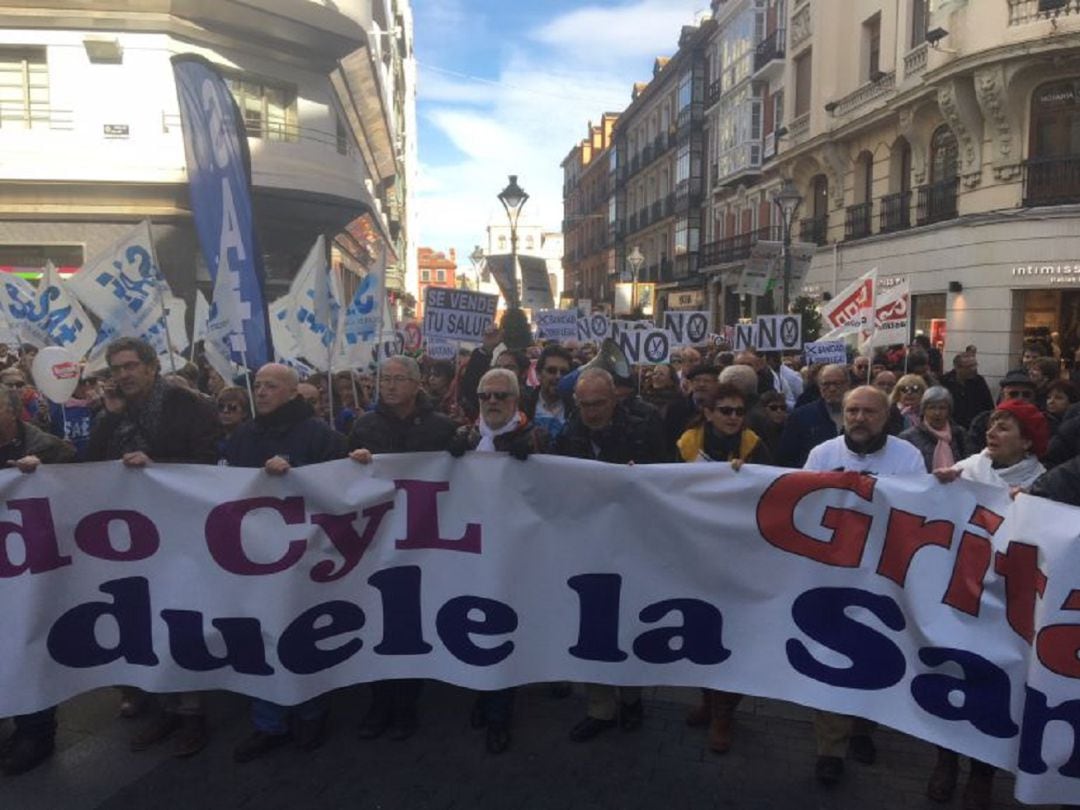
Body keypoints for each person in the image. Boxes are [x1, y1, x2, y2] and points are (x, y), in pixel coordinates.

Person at [85, 337, 220, 758]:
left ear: (151, 367)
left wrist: (156, 464)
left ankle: (192, 714)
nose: (122, 375)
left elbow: (207, 460)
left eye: (129, 366)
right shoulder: (110, 414)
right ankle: (164, 706)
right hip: (128, 539)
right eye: (115, 369)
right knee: (143, 621)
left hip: (179, 533)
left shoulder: (189, 405)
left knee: (181, 619)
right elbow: (89, 465)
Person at [223, 363, 347, 762]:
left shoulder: (320, 436)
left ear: (293, 393)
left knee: (302, 632)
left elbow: (337, 489)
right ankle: (268, 722)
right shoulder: (243, 435)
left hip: (305, 554)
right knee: (260, 635)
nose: (260, 392)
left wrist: (296, 476)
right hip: (254, 552)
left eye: (271, 386)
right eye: (258, 385)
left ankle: (312, 712)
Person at [928, 398, 1048, 809]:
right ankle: (945, 761)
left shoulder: (1044, 484)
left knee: (997, 686)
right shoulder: (966, 471)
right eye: (993, 423)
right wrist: (938, 487)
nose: (992, 432)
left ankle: (982, 773)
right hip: (960, 593)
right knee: (952, 674)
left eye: (1005, 427)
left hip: (1008, 603)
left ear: (1028, 444)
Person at [804, 386, 925, 787]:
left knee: (877, 654)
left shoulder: (908, 457)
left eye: (868, 412)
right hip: (833, 573)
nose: (858, 418)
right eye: (852, 410)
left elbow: (921, 511)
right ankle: (830, 747)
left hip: (883, 573)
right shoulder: (822, 454)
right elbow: (801, 506)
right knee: (832, 655)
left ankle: (864, 729)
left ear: (887, 416)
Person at [349, 356, 458, 741]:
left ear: (416, 385)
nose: (390, 386)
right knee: (378, 619)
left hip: (422, 539)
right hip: (377, 537)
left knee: (412, 619)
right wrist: (352, 463)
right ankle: (379, 702)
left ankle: (407, 704)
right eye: (385, 379)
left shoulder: (442, 428)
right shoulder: (363, 426)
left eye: (398, 379)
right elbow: (341, 481)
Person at [555, 367, 664, 742]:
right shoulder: (568, 433)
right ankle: (599, 706)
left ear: (614, 399)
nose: (591, 411)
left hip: (633, 542)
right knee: (592, 624)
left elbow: (669, 478)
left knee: (628, 621)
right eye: (584, 404)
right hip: (587, 543)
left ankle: (631, 700)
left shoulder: (644, 429)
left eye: (598, 403)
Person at [446, 368, 539, 754]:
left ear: (516, 401)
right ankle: (483, 695)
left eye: (501, 396)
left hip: (517, 553)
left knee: (502, 631)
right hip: (473, 550)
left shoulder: (538, 438)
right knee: (475, 625)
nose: (493, 403)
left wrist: (535, 454)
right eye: (486, 396)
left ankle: (499, 712)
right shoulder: (465, 439)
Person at [0, 386, 75, 776]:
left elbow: (76, 471)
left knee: (29, 642)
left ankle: (37, 732)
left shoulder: (46, 447)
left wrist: (43, 470)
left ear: (13, 412)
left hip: (32, 566)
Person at [778, 364, 849, 468]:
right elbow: (786, 458)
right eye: (826, 384)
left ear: (847, 384)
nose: (832, 389)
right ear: (819, 386)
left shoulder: (861, 415)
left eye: (837, 383)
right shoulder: (800, 417)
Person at [966, 369, 1037, 455]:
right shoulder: (982, 421)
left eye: (1026, 395)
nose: (1020, 399)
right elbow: (972, 452)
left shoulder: (1043, 423)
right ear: (1002, 396)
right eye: (1013, 394)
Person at [899, 387, 969, 472]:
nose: (937, 413)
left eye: (942, 408)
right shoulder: (908, 438)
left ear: (949, 411)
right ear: (924, 410)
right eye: (932, 408)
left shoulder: (959, 434)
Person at [529, 344, 574, 442]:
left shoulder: (577, 408)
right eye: (551, 371)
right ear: (538, 374)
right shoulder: (524, 404)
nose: (558, 376)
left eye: (564, 372)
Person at [941, 352, 994, 429]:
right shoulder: (945, 382)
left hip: (975, 428)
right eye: (969, 367)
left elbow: (988, 406)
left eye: (975, 365)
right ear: (957, 368)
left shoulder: (979, 381)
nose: (974, 369)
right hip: (952, 427)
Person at [215, 386, 250, 458]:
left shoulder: (251, 439)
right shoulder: (212, 437)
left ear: (244, 412)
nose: (225, 411)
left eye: (232, 407)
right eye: (221, 407)